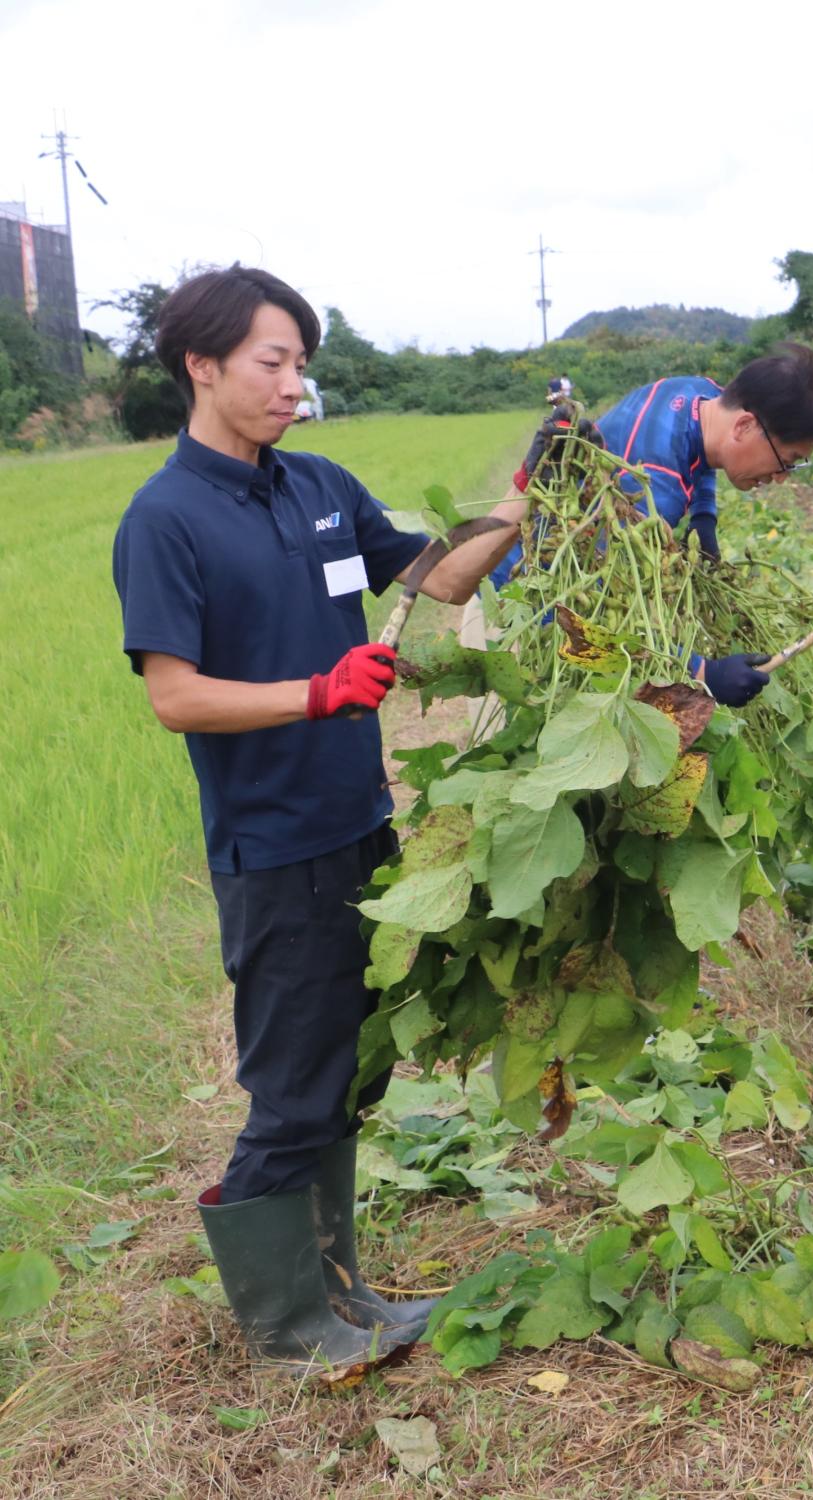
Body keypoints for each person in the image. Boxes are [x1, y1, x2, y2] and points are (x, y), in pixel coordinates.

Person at [111, 266, 528, 1370]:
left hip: (360, 825)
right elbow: (173, 695)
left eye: (302, 363)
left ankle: (337, 1291)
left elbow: (440, 580)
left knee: (349, 1071)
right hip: (275, 846)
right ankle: (286, 1325)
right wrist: (316, 691)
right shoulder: (165, 519)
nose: (295, 385)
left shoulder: (319, 487)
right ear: (203, 366)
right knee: (292, 1089)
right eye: (272, 362)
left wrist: (521, 504)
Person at [465, 344, 813, 710]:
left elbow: (707, 452)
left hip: (547, 583)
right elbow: (599, 614)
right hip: (519, 612)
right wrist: (702, 671)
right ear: (744, 426)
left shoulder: (702, 394)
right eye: (787, 461)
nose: (781, 478)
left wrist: (703, 518)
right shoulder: (654, 486)